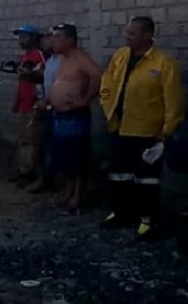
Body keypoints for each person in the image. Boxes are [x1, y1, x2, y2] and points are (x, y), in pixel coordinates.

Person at [99, 16, 185, 241]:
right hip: (119, 128)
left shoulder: (164, 63)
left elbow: (173, 102)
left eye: (133, 33)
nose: (127, 36)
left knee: (146, 180)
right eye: (127, 32)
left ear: (147, 35)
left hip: (148, 133)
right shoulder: (120, 57)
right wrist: (108, 107)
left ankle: (148, 221)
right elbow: (107, 83)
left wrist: (166, 133)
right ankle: (120, 213)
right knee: (118, 176)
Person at [43, 23, 101, 214]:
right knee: (64, 157)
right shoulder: (61, 59)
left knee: (77, 157)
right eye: (53, 36)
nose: (54, 40)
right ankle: (67, 192)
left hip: (75, 115)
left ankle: (77, 195)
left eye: (58, 36)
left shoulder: (79, 58)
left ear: (70, 40)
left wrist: (85, 99)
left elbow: (98, 76)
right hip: (60, 115)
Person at [27, 33, 63, 193]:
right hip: (45, 107)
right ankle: (44, 179)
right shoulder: (51, 60)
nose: (47, 41)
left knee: (53, 147)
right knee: (43, 144)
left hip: (58, 110)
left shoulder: (64, 61)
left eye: (52, 37)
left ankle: (53, 182)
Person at [12, 25, 47, 183]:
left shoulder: (38, 56)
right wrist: (16, 101)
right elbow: (22, 83)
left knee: (32, 140)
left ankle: (30, 173)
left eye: (24, 37)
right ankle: (22, 170)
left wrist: (31, 74)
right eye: (20, 37)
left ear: (33, 38)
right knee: (23, 138)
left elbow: (43, 78)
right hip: (23, 104)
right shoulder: (25, 57)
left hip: (33, 104)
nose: (21, 40)